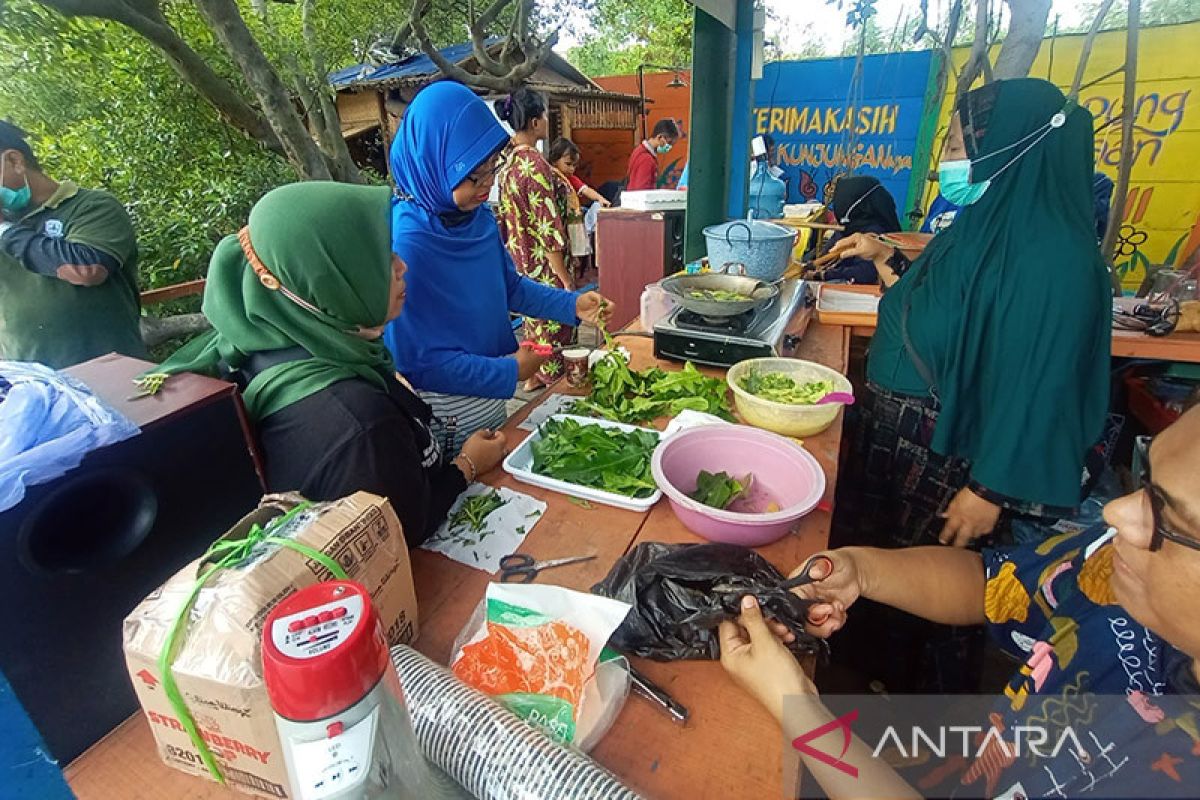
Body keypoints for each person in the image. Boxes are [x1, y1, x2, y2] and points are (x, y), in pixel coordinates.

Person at [719, 404, 1200, 798]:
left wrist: (801, 713)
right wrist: (860, 571)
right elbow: (992, 585)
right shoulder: (1110, 561)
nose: (1118, 512)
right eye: (1147, 487)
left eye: (1170, 518)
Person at [816, 79, 1111, 692]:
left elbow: (1044, 386)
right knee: (871, 569)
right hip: (896, 440)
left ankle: (915, 712)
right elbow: (931, 312)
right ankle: (863, 671)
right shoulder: (979, 226)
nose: (947, 157)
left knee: (929, 587)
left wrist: (989, 488)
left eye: (957, 142)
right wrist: (881, 258)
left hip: (948, 458)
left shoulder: (1057, 259)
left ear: (1009, 144)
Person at [150, 181, 505, 548]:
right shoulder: (360, 425)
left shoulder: (263, 344)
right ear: (323, 280)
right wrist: (467, 465)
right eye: (378, 261)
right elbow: (406, 529)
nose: (402, 267)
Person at [382, 82, 612, 452]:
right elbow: (418, 362)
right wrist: (509, 371)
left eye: (491, 168)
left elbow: (511, 288)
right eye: (475, 176)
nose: (487, 185)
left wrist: (572, 306)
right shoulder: (408, 244)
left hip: (490, 399)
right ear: (432, 163)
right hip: (444, 412)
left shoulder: (476, 219)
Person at [0, 120, 146, 368]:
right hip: (34, 384)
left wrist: (5, 230)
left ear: (15, 161)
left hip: (114, 370)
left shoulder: (91, 207)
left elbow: (88, 269)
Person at [494, 89, 578, 391]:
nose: (546, 120)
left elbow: (503, 221)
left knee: (534, 327)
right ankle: (552, 390)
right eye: (543, 115)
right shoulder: (536, 167)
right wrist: (566, 279)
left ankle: (532, 377)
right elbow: (549, 229)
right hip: (546, 267)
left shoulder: (506, 169)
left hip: (521, 264)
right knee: (555, 334)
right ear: (533, 122)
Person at [807, 176, 901, 283]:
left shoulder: (876, 233)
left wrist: (822, 275)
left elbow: (865, 274)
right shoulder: (851, 225)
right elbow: (828, 253)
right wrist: (811, 266)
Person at [547, 138, 611, 210]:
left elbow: (586, 190)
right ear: (554, 160)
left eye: (574, 165)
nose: (572, 169)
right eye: (568, 164)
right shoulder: (547, 177)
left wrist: (600, 199)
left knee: (595, 207)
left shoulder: (571, 179)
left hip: (570, 214)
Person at [625, 119, 680, 191]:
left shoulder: (639, 150)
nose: (669, 147)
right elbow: (642, 190)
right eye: (669, 143)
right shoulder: (647, 159)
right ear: (660, 137)